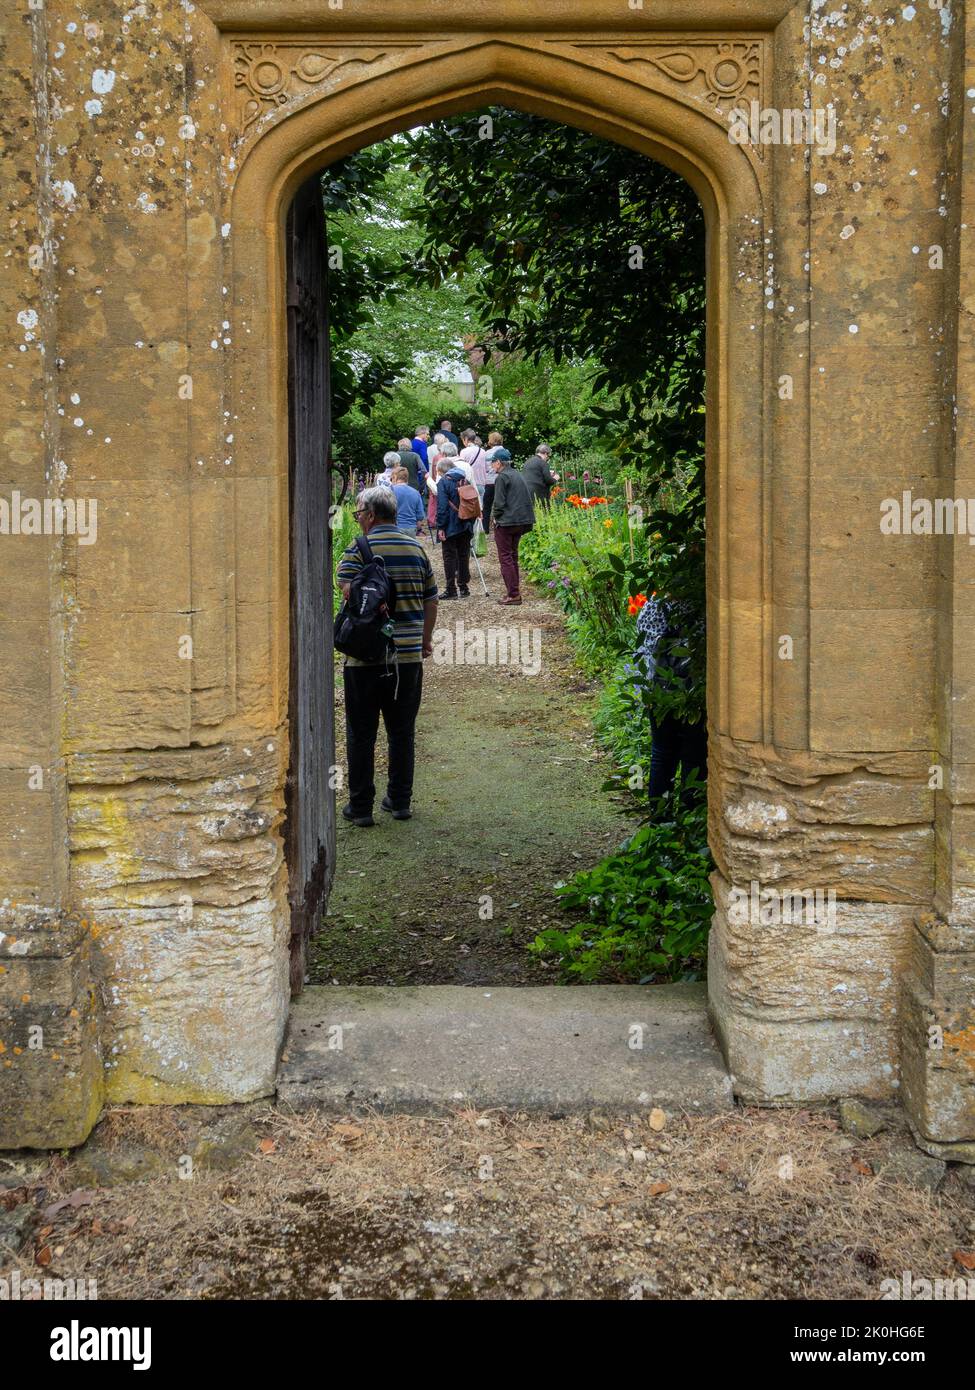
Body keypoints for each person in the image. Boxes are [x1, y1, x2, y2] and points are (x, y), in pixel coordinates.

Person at [337, 486, 438, 825]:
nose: (358, 520)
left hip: (364, 658)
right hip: (406, 657)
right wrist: (425, 641)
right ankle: (399, 801)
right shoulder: (416, 548)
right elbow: (431, 599)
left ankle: (361, 807)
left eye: (358, 514)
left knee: (361, 733)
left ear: (369, 514)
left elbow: (348, 591)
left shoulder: (357, 549)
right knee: (401, 730)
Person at [635, 592, 706, 805]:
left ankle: (659, 817)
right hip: (692, 695)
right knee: (694, 755)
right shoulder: (701, 607)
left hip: (659, 693)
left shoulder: (653, 607)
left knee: (662, 754)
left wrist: (645, 691)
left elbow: (645, 651)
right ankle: (689, 816)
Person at [491, 448, 534, 605]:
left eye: (493, 462)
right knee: (513, 556)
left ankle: (513, 594)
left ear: (499, 462)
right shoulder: (517, 474)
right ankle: (514, 591)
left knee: (506, 557)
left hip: (507, 522)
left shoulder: (502, 477)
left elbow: (499, 503)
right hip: (521, 521)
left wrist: (495, 518)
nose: (491, 465)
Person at [436, 446, 474, 599]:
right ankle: (464, 587)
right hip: (466, 523)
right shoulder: (465, 479)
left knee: (449, 556)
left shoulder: (444, 483)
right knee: (463, 555)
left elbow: (442, 507)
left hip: (451, 525)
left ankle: (451, 589)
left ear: (442, 471)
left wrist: (441, 527)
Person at [390, 466, 427, 534]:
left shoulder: (390, 491)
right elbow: (420, 515)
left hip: (395, 527)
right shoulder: (415, 492)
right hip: (411, 528)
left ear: (394, 477)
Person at [481, 431, 505, 535]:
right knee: (502, 504)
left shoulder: (486, 453)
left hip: (489, 481)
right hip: (502, 480)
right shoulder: (505, 452)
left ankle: (485, 528)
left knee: (487, 506)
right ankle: (501, 526)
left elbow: (484, 468)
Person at [522, 443, 558, 508]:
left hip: (526, 492)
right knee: (543, 513)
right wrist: (555, 478)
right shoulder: (543, 463)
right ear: (545, 453)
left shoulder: (527, 462)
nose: (547, 458)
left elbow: (534, 474)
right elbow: (548, 480)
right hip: (539, 493)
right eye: (548, 456)